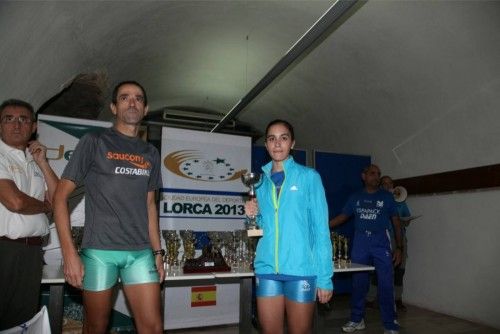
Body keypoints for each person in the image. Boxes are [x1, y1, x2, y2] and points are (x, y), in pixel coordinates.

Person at [54, 81, 164, 333]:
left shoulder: (151, 153)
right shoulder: (94, 141)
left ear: (145, 108)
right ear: (114, 107)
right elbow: (60, 198)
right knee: (96, 327)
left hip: (140, 252)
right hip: (99, 252)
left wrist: (158, 254)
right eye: (125, 98)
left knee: (153, 328)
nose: (132, 102)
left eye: (138, 98)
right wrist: (70, 254)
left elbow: (149, 206)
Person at [244, 119, 333, 334]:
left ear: (292, 143)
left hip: (301, 270)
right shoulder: (260, 183)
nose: (277, 144)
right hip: (267, 270)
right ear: (266, 145)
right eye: (272, 139)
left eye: (283, 138)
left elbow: (321, 230)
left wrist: (325, 278)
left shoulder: (309, 177)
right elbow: (262, 228)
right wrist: (251, 217)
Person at [0, 99, 58, 329]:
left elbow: (58, 199)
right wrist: (45, 207)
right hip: (4, 249)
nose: (17, 125)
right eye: (9, 119)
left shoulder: (34, 160)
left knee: (21, 321)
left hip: (32, 251)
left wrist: (43, 163)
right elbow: (15, 201)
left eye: (23, 119)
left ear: (33, 127)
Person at [330, 164, 403, 334]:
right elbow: (342, 217)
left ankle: (390, 323)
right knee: (358, 283)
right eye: (372, 174)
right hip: (361, 241)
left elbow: (396, 222)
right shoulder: (355, 197)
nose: (376, 177)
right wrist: (323, 227)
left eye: (378, 174)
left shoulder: (386, 197)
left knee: (386, 283)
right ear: (364, 176)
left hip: (381, 241)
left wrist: (399, 247)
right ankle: (357, 319)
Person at [366, 176, 412, 312]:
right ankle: (370, 299)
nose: (388, 186)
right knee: (377, 269)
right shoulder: (377, 199)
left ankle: (397, 299)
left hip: (399, 237)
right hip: (382, 237)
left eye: (390, 183)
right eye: (384, 184)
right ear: (380, 186)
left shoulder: (401, 201)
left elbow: (407, 220)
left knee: (400, 270)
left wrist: (403, 221)